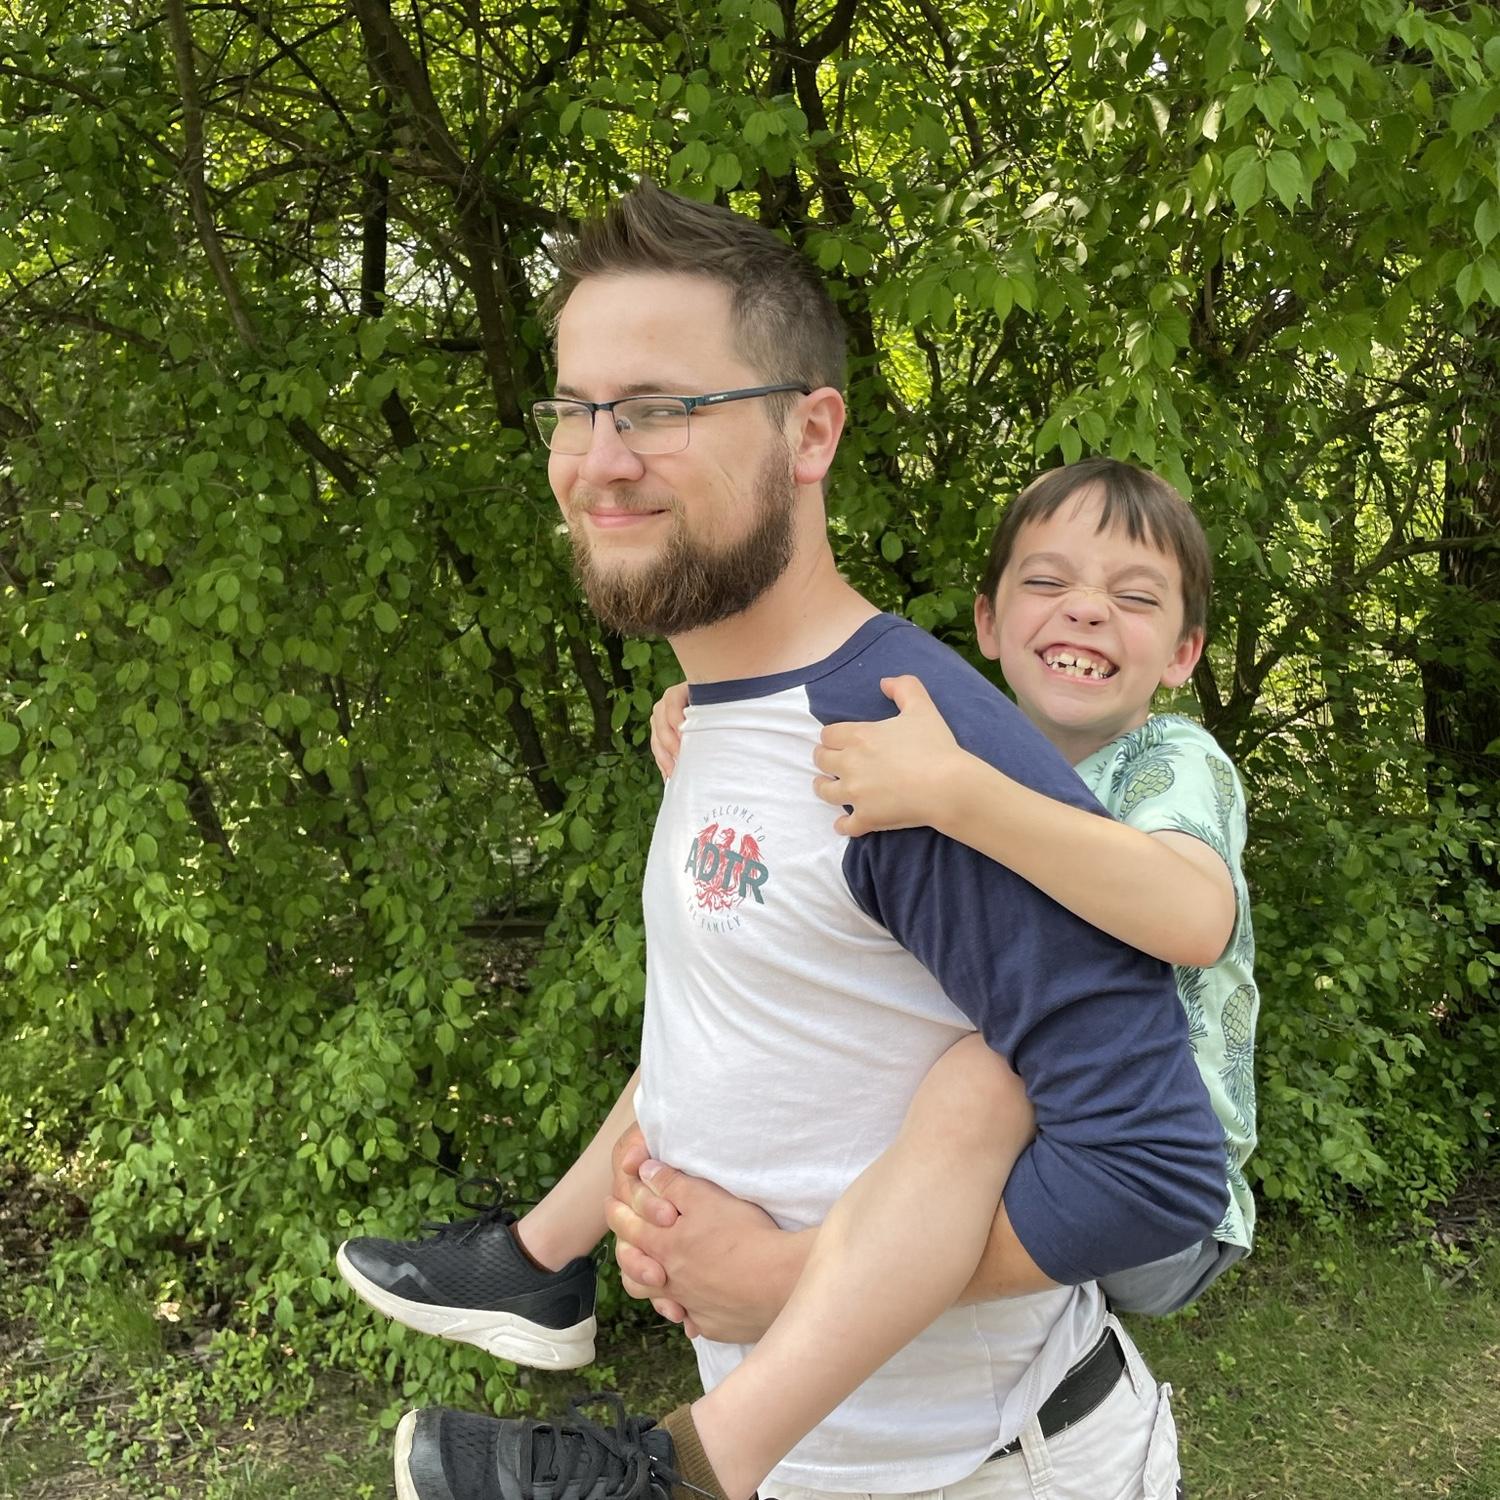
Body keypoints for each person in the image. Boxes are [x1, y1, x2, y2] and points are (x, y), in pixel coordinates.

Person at [339, 181, 1226, 1500]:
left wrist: (781, 1274)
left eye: (657, 408)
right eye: (575, 409)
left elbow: (1155, 1173)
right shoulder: (715, 717)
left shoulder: (900, 740)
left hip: (987, 1471)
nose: (601, 455)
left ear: (810, 432)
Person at [636, 457, 1257, 1331]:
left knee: (977, 1075)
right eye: (1048, 582)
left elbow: (1194, 920)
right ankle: (545, 1253)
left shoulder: (1172, 761)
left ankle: (779, 1282)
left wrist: (959, 794)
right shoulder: (963, 739)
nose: (1086, 608)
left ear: (1184, 654)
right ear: (989, 623)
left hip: (1159, 1189)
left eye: (1137, 598)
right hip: (1061, 1140)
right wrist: (711, 718)